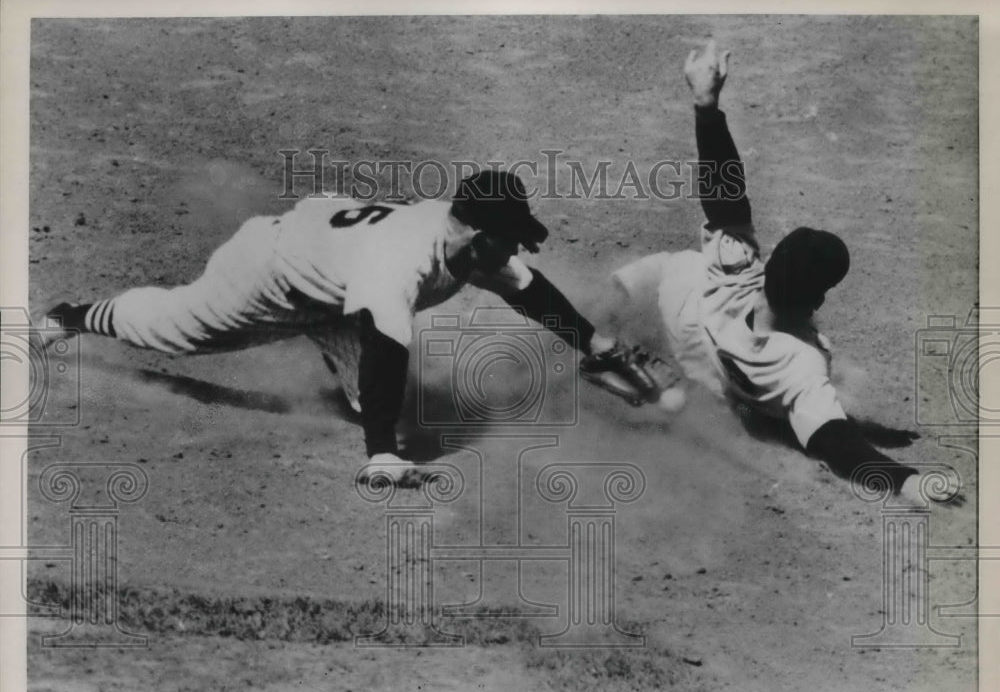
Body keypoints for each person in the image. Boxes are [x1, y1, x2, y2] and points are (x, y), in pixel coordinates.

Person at [41, 169, 665, 487]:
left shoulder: (473, 245)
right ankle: (72, 317)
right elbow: (385, 343)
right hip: (269, 273)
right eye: (507, 242)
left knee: (386, 403)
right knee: (175, 329)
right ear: (477, 235)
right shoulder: (402, 259)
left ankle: (372, 419)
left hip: (340, 287)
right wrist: (382, 460)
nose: (512, 255)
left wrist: (599, 347)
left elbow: (533, 293)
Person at [605, 41, 958, 507]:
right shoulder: (799, 367)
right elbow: (835, 443)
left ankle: (591, 335)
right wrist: (907, 480)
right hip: (710, 373)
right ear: (819, 299)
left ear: (768, 264)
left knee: (640, 280)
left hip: (665, 299)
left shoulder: (733, 262)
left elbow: (724, 189)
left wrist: (706, 104)